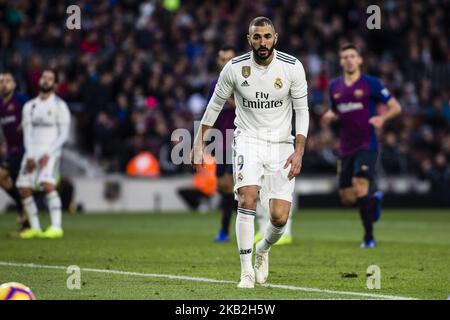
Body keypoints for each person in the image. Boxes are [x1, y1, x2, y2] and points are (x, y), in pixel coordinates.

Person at [192, 17, 309, 288]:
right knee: (247, 199)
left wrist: (299, 150)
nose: (262, 42)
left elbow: (302, 111)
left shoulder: (292, 67)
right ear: (249, 40)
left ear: (275, 38)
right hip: (248, 140)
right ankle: (245, 272)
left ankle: (263, 249)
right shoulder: (234, 68)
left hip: (282, 145)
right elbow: (215, 105)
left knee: (279, 217)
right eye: (257, 37)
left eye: (267, 36)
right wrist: (199, 141)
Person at [322, 44, 402, 248]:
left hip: (367, 144)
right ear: (341, 62)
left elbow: (396, 107)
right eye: (345, 56)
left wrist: (382, 119)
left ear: (359, 60)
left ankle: (368, 238)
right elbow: (335, 112)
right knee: (348, 197)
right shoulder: (334, 87)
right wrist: (331, 116)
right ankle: (373, 200)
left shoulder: (371, 83)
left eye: (352, 56)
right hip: (345, 147)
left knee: (360, 185)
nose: (349, 59)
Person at [16, 69, 71, 239]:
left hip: (51, 152)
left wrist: (48, 153)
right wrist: (31, 155)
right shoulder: (29, 106)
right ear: (39, 81)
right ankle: (36, 228)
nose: (46, 81)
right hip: (32, 151)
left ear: (55, 84)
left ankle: (56, 227)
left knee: (48, 185)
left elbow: (63, 134)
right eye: (44, 77)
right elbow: (27, 132)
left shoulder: (59, 106)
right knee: (24, 188)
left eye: (50, 79)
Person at [209, 45, 237, 242]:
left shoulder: (243, 82)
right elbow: (210, 112)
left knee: (229, 184)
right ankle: (233, 225)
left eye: (230, 59)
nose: (226, 62)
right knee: (222, 187)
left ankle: (226, 230)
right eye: (222, 59)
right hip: (221, 141)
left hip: (240, 140)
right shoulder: (214, 85)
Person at [0, 71, 30, 231]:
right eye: (1, 81)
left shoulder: (21, 100)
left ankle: (25, 216)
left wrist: (27, 124)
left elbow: (34, 110)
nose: (4, 84)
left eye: (7, 81)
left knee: (4, 177)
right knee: (18, 186)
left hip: (24, 148)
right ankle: (25, 222)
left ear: (14, 84)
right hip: (11, 149)